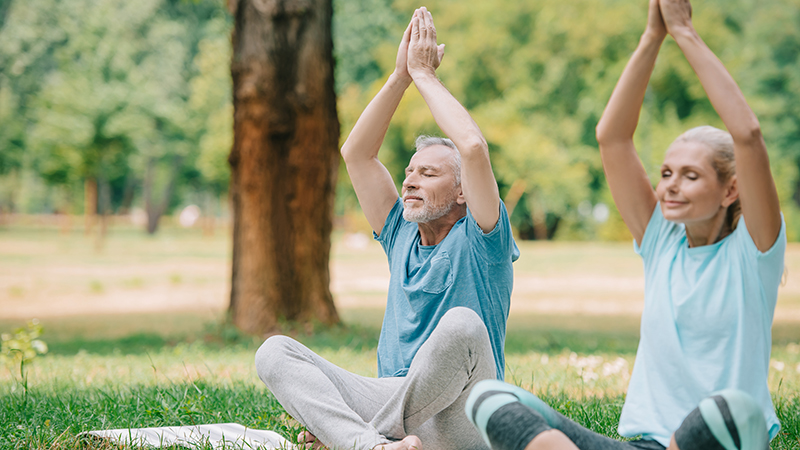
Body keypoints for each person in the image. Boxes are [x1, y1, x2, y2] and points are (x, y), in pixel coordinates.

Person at [464, 0, 784, 449]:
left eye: (690, 176)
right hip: (644, 445)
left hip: (725, 437)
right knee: (489, 396)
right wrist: (652, 38)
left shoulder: (755, 251)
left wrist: (685, 33)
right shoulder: (661, 240)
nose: (669, 186)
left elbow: (748, 135)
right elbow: (612, 137)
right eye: (667, 173)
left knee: (729, 408)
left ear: (731, 190)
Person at [255, 7, 519, 450]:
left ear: (462, 193)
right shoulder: (400, 232)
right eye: (409, 171)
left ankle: (350, 434)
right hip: (397, 403)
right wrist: (399, 77)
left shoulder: (482, 240)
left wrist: (424, 75)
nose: (411, 179)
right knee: (275, 352)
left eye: (429, 173)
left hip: (467, 412)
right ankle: (372, 445)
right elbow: (356, 153)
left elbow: (472, 147)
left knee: (462, 325)